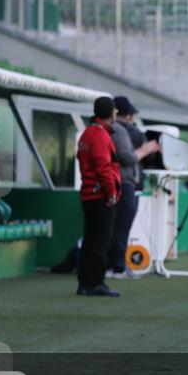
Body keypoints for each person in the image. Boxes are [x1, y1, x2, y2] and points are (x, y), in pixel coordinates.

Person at [106, 96, 160, 279]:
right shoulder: (119, 130)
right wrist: (146, 149)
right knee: (120, 228)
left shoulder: (110, 129)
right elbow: (127, 158)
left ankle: (114, 266)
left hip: (117, 182)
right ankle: (117, 268)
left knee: (116, 228)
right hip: (123, 183)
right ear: (128, 115)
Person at [76, 96, 121, 297]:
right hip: (99, 196)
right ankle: (96, 283)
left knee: (90, 241)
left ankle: (85, 283)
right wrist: (111, 193)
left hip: (89, 194)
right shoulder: (100, 136)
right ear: (111, 113)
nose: (116, 113)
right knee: (100, 242)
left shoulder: (88, 133)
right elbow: (104, 168)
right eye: (115, 110)